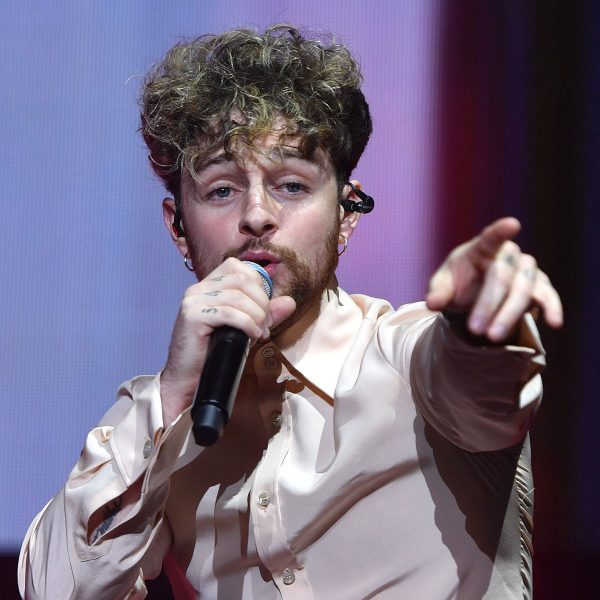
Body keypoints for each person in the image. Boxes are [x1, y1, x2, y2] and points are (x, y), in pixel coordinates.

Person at [18, 24, 563, 599]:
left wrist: (479, 325)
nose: (257, 214)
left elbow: (481, 389)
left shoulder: (410, 357)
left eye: (292, 185)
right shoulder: (153, 419)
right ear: (179, 229)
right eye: (222, 190)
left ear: (347, 216)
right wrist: (176, 397)